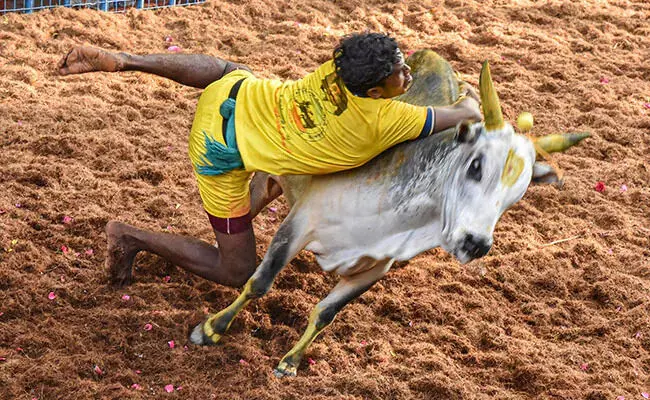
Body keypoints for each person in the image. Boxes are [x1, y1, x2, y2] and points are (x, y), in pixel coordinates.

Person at [57, 32, 481, 289]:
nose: (407, 75)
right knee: (237, 269)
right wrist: (471, 96)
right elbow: (467, 112)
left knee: (231, 69)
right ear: (373, 92)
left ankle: (130, 61)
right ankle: (130, 236)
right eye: (399, 73)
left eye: (406, 65)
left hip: (243, 96)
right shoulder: (383, 121)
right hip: (217, 151)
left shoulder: (339, 68)